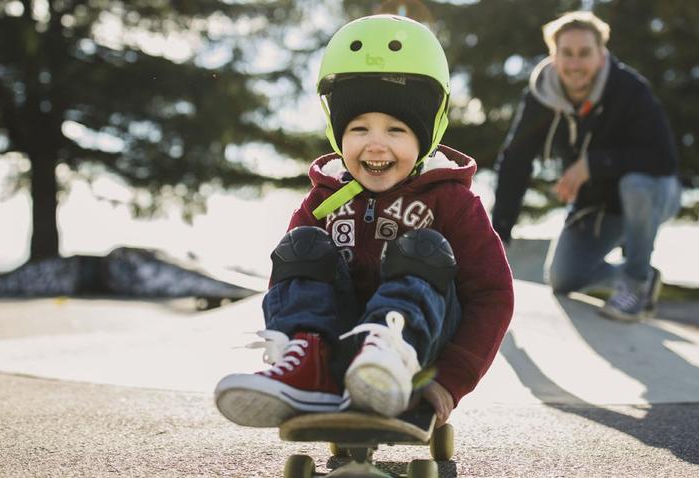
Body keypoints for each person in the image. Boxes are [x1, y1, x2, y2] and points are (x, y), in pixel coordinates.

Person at [214, 14, 514, 428]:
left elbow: (492, 294)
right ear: (338, 134)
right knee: (301, 246)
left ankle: (385, 363)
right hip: (337, 339)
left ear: (425, 137)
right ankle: (309, 366)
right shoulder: (323, 200)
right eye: (358, 128)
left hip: (418, 354)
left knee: (422, 248)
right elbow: (289, 283)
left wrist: (449, 381)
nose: (375, 143)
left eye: (396, 129)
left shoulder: (452, 202)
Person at [492, 11, 681, 322]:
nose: (575, 64)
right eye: (566, 54)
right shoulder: (541, 96)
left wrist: (593, 165)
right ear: (553, 56)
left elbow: (663, 160)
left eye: (584, 53)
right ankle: (639, 275)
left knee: (636, 184)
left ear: (601, 53)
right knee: (563, 279)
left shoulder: (630, 90)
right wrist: (500, 233)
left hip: (655, 192)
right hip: (598, 207)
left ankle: (635, 286)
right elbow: (515, 163)